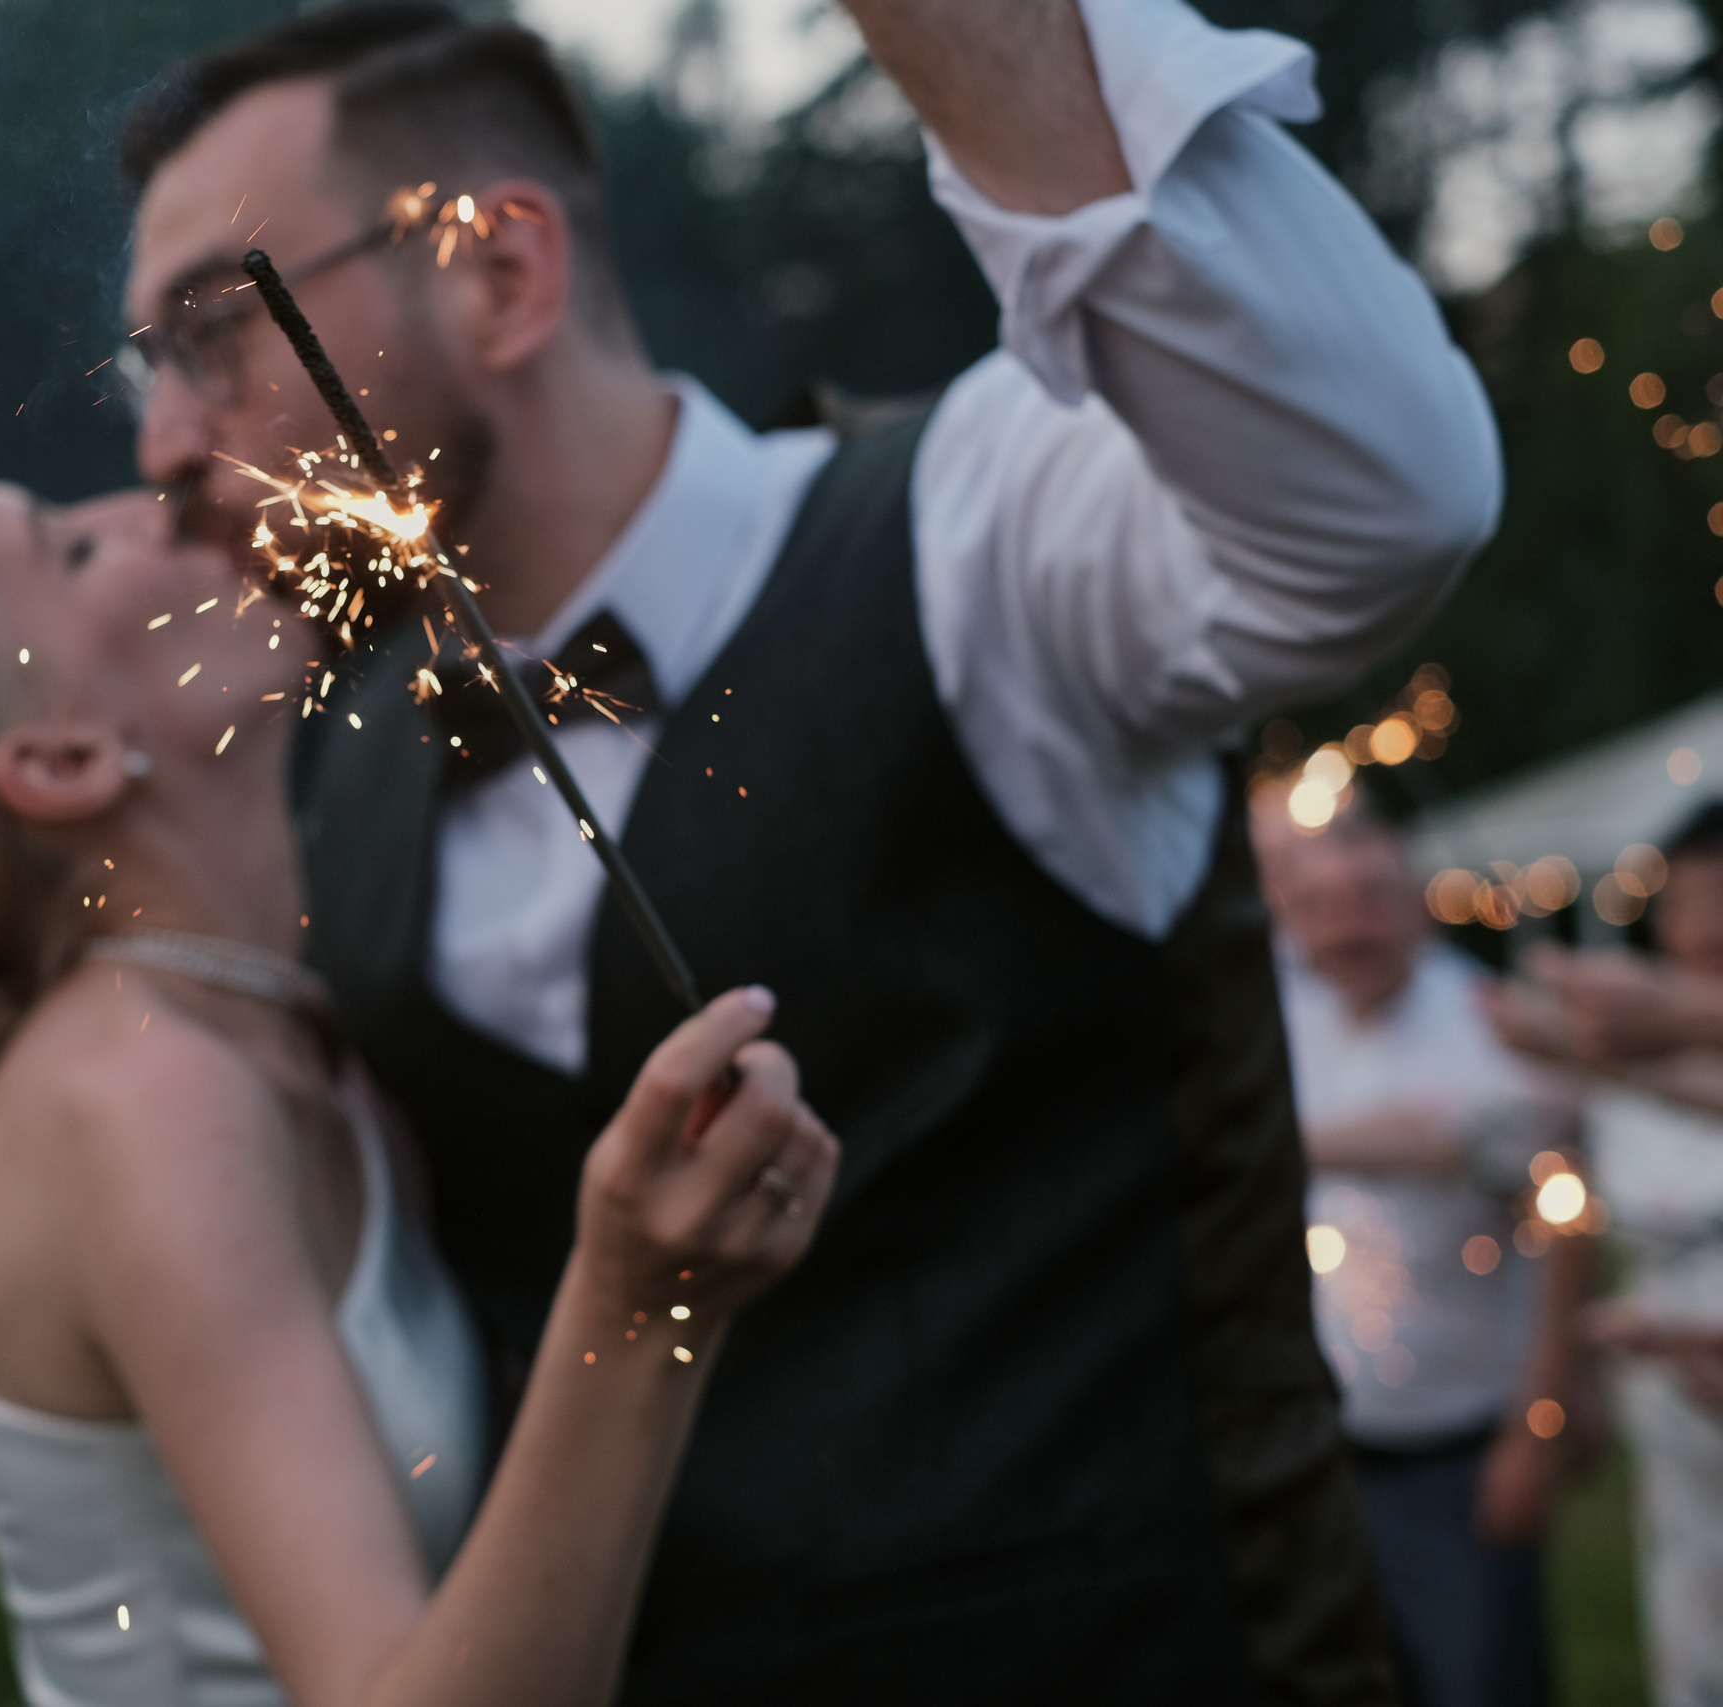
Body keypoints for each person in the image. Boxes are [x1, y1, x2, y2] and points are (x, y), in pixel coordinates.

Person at [116, 2, 1500, 1697]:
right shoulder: (358, 777)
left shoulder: (981, 531)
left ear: (496, 273)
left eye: (212, 335)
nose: (166, 448)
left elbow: (1384, 507)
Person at [0, 474, 837, 1707]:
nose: (156, 501)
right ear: (65, 759)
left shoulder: (271, 1031)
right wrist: (637, 1311)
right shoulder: (137, 1101)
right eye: (71, 548)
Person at [1253, 796, 1584, 1707]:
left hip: (1462, 1451)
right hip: (1324, 1448)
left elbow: (1530, 1189)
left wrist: (1539, 1422)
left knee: (1481, 1677)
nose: (1344, 925)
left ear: (1413, 893)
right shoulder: (1285, 1006)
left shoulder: (1490, 1023)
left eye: (1368, 894)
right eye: (1317, 906)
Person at [1488, 803, 1723, 1706]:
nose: (1706, 923)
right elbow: (1571, 1226)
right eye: (1687, 898)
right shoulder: (1637, 1058)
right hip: (1676, 1438)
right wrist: (1551, 1398)